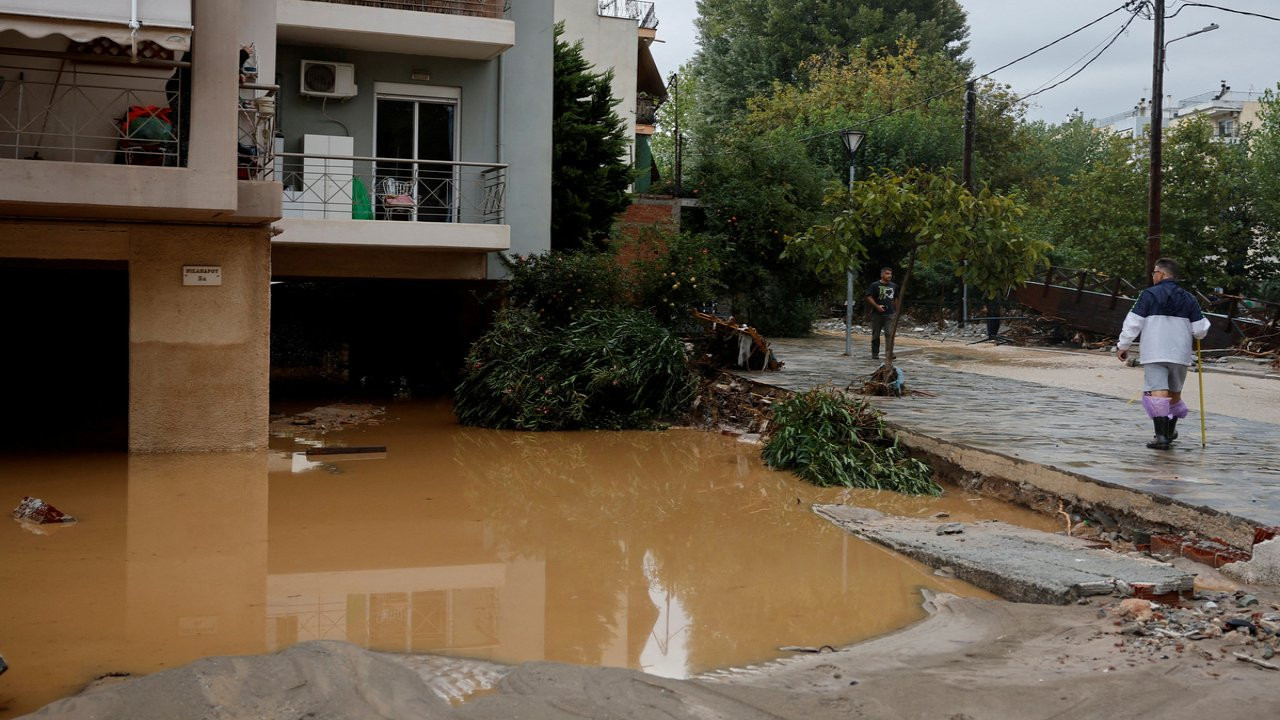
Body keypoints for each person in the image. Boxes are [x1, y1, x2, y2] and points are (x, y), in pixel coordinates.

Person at [1115, 258, 1210, 449]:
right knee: (1174, 392)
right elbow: (1200, 329)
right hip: (1180, 353)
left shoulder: (1148, 295)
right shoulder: (1189, 298)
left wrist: (1123, 345)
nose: (1153, 276)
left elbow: (1133, 322)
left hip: (1155, 350)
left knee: (1158, 388)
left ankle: (1161, 437)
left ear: (1162, 274)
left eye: (1154, 273)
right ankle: (1169, 431)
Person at [865, 267, 897, 360]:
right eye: (887, 273)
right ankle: (875, 353)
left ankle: (889, 352)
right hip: (877, 314)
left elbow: (896, 298)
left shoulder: (893, 286)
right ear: (882, 274)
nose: (889, 275)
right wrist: (877, 306)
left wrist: (897, 310)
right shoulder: (875, 285)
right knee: (876, 335)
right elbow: (869, 297)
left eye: (890, 273)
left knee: (889, 333)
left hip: (890, 314)